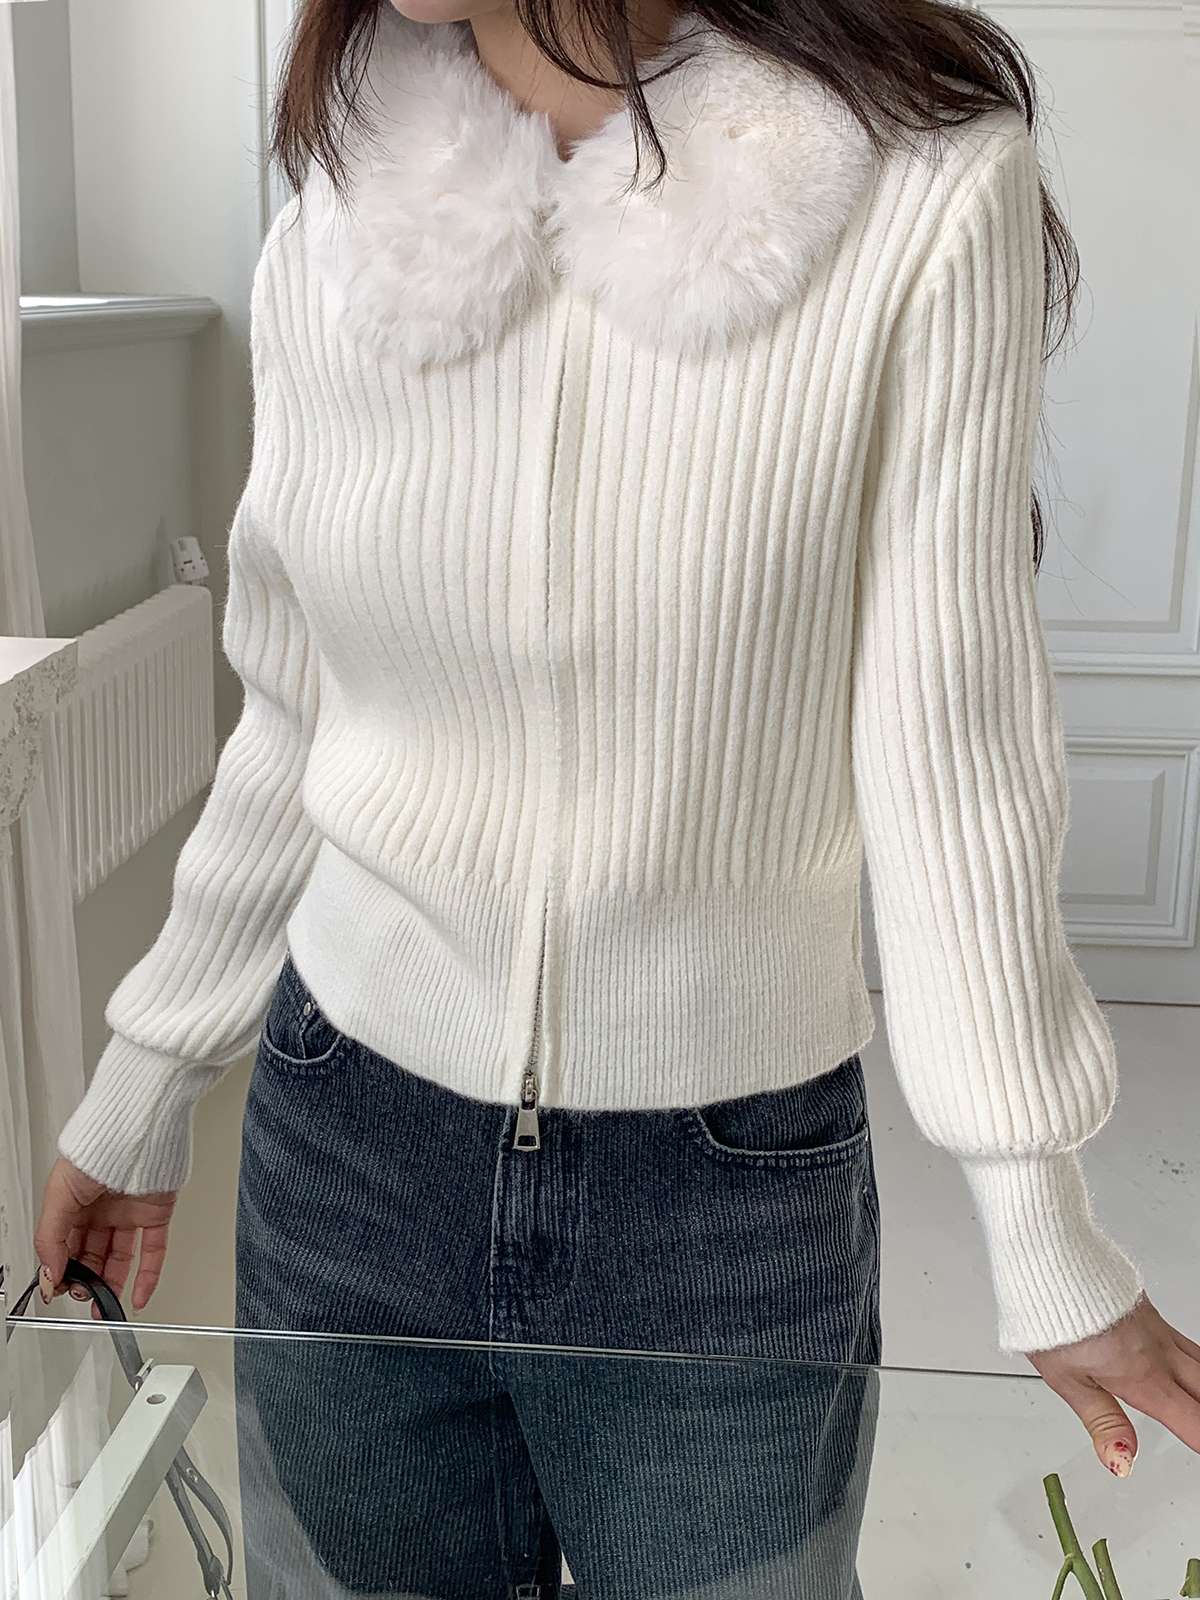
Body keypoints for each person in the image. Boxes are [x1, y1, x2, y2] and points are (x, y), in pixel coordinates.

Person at [35, 0, 1200, 1594]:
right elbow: (295, 713)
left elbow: (950, 740)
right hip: (345, 1147)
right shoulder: (341, 221)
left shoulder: (921, 195)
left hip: (726, 1195)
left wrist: (1034, 1213)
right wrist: (148, 1075)